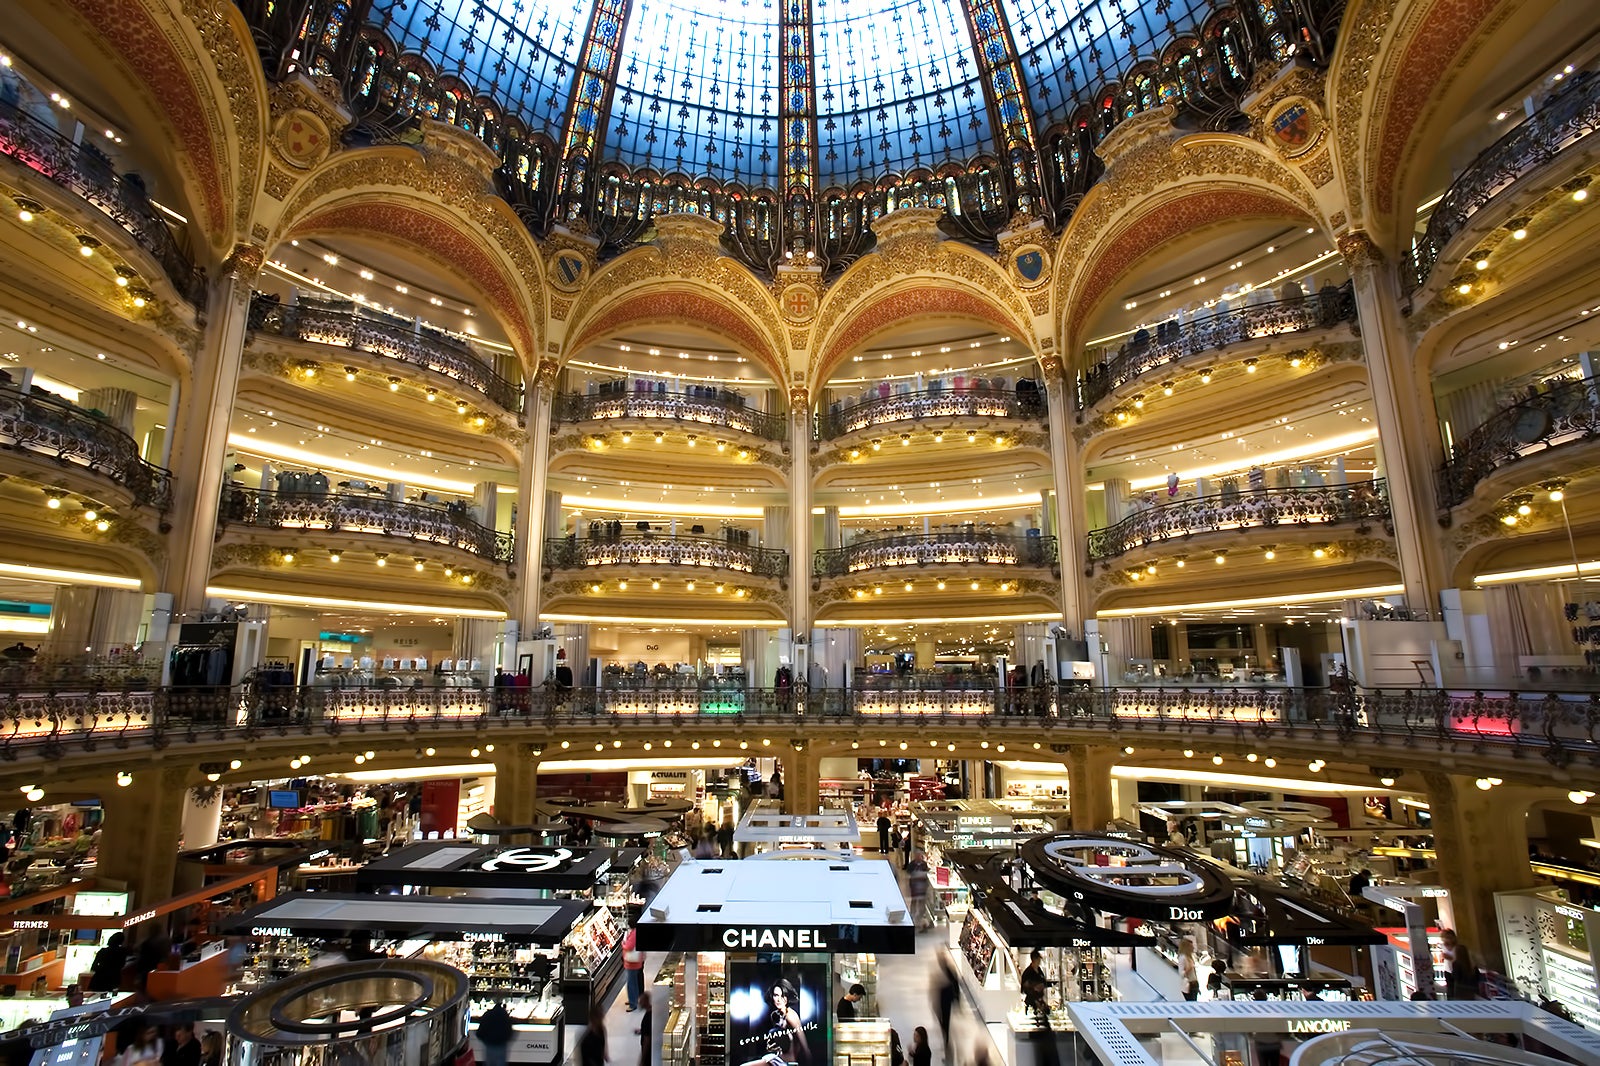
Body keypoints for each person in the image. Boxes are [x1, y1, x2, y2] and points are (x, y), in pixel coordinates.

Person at [736, 978, 809, 1066]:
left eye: (783, 996)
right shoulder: (775, 1015)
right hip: (776, 1059)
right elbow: (780, 1043)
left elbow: (805, 1047)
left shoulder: (791, 1017)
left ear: (787, 997)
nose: (779, 999)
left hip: (788, 1063)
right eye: (776, 995)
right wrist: (772, 1047)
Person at [476, 999, 514, 1066]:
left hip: (489, 1044)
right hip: (501, 1045)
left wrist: (484, 1039)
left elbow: (481, 1030)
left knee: (489, 1063)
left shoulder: (488, 1014)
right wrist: (506, 1039)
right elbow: (509, 1030)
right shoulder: (505, 1015)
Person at [1441, 928, 1477, 999]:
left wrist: (1450, 958)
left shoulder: (1459, 948)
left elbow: (1462, 960)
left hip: (1459, 972)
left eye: (1448, 937)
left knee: (1457, 990)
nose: (1446, 940)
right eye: (1444, 938)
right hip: (1448, 971)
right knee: (1451, 990)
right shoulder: (1443, 947)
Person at [933, 954, 958, 1049]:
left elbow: (955, 983)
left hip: (946, 1000)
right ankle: (945, 1034)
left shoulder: (948, 971)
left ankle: (946, 1036)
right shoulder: (944, 970)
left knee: (945, 1019)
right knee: (943, 1018)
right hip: (943, 999)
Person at [622, 926, 646, 1011]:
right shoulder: (638, 931)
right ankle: (635, 999)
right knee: (635, 982)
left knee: (631, 983)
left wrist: (623, 944)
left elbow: (629, 946)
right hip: (636, 962)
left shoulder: (634, 933)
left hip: (632, 963)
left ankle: (633, 1003)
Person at [906, 851, 931, 930]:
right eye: (917, 856)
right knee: (914, 901)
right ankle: (912, 915)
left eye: (920, 856)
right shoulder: (912, 864)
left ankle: (920, 917)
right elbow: (908, 872)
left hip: (922, 887)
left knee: (921, 902)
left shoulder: (924, 864)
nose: (919, 857)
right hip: (914, 887)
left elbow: (926, 873)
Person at [1020, 950, 1048, 1017]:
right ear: (1034, 959)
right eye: (1038, 959)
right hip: (1031, 1002)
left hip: (1040, 1000)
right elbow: (1024, 988)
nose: (1040, 961)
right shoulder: (1027, 973)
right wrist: (1035, 987)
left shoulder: (1039, 970)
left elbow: (1044, 981)